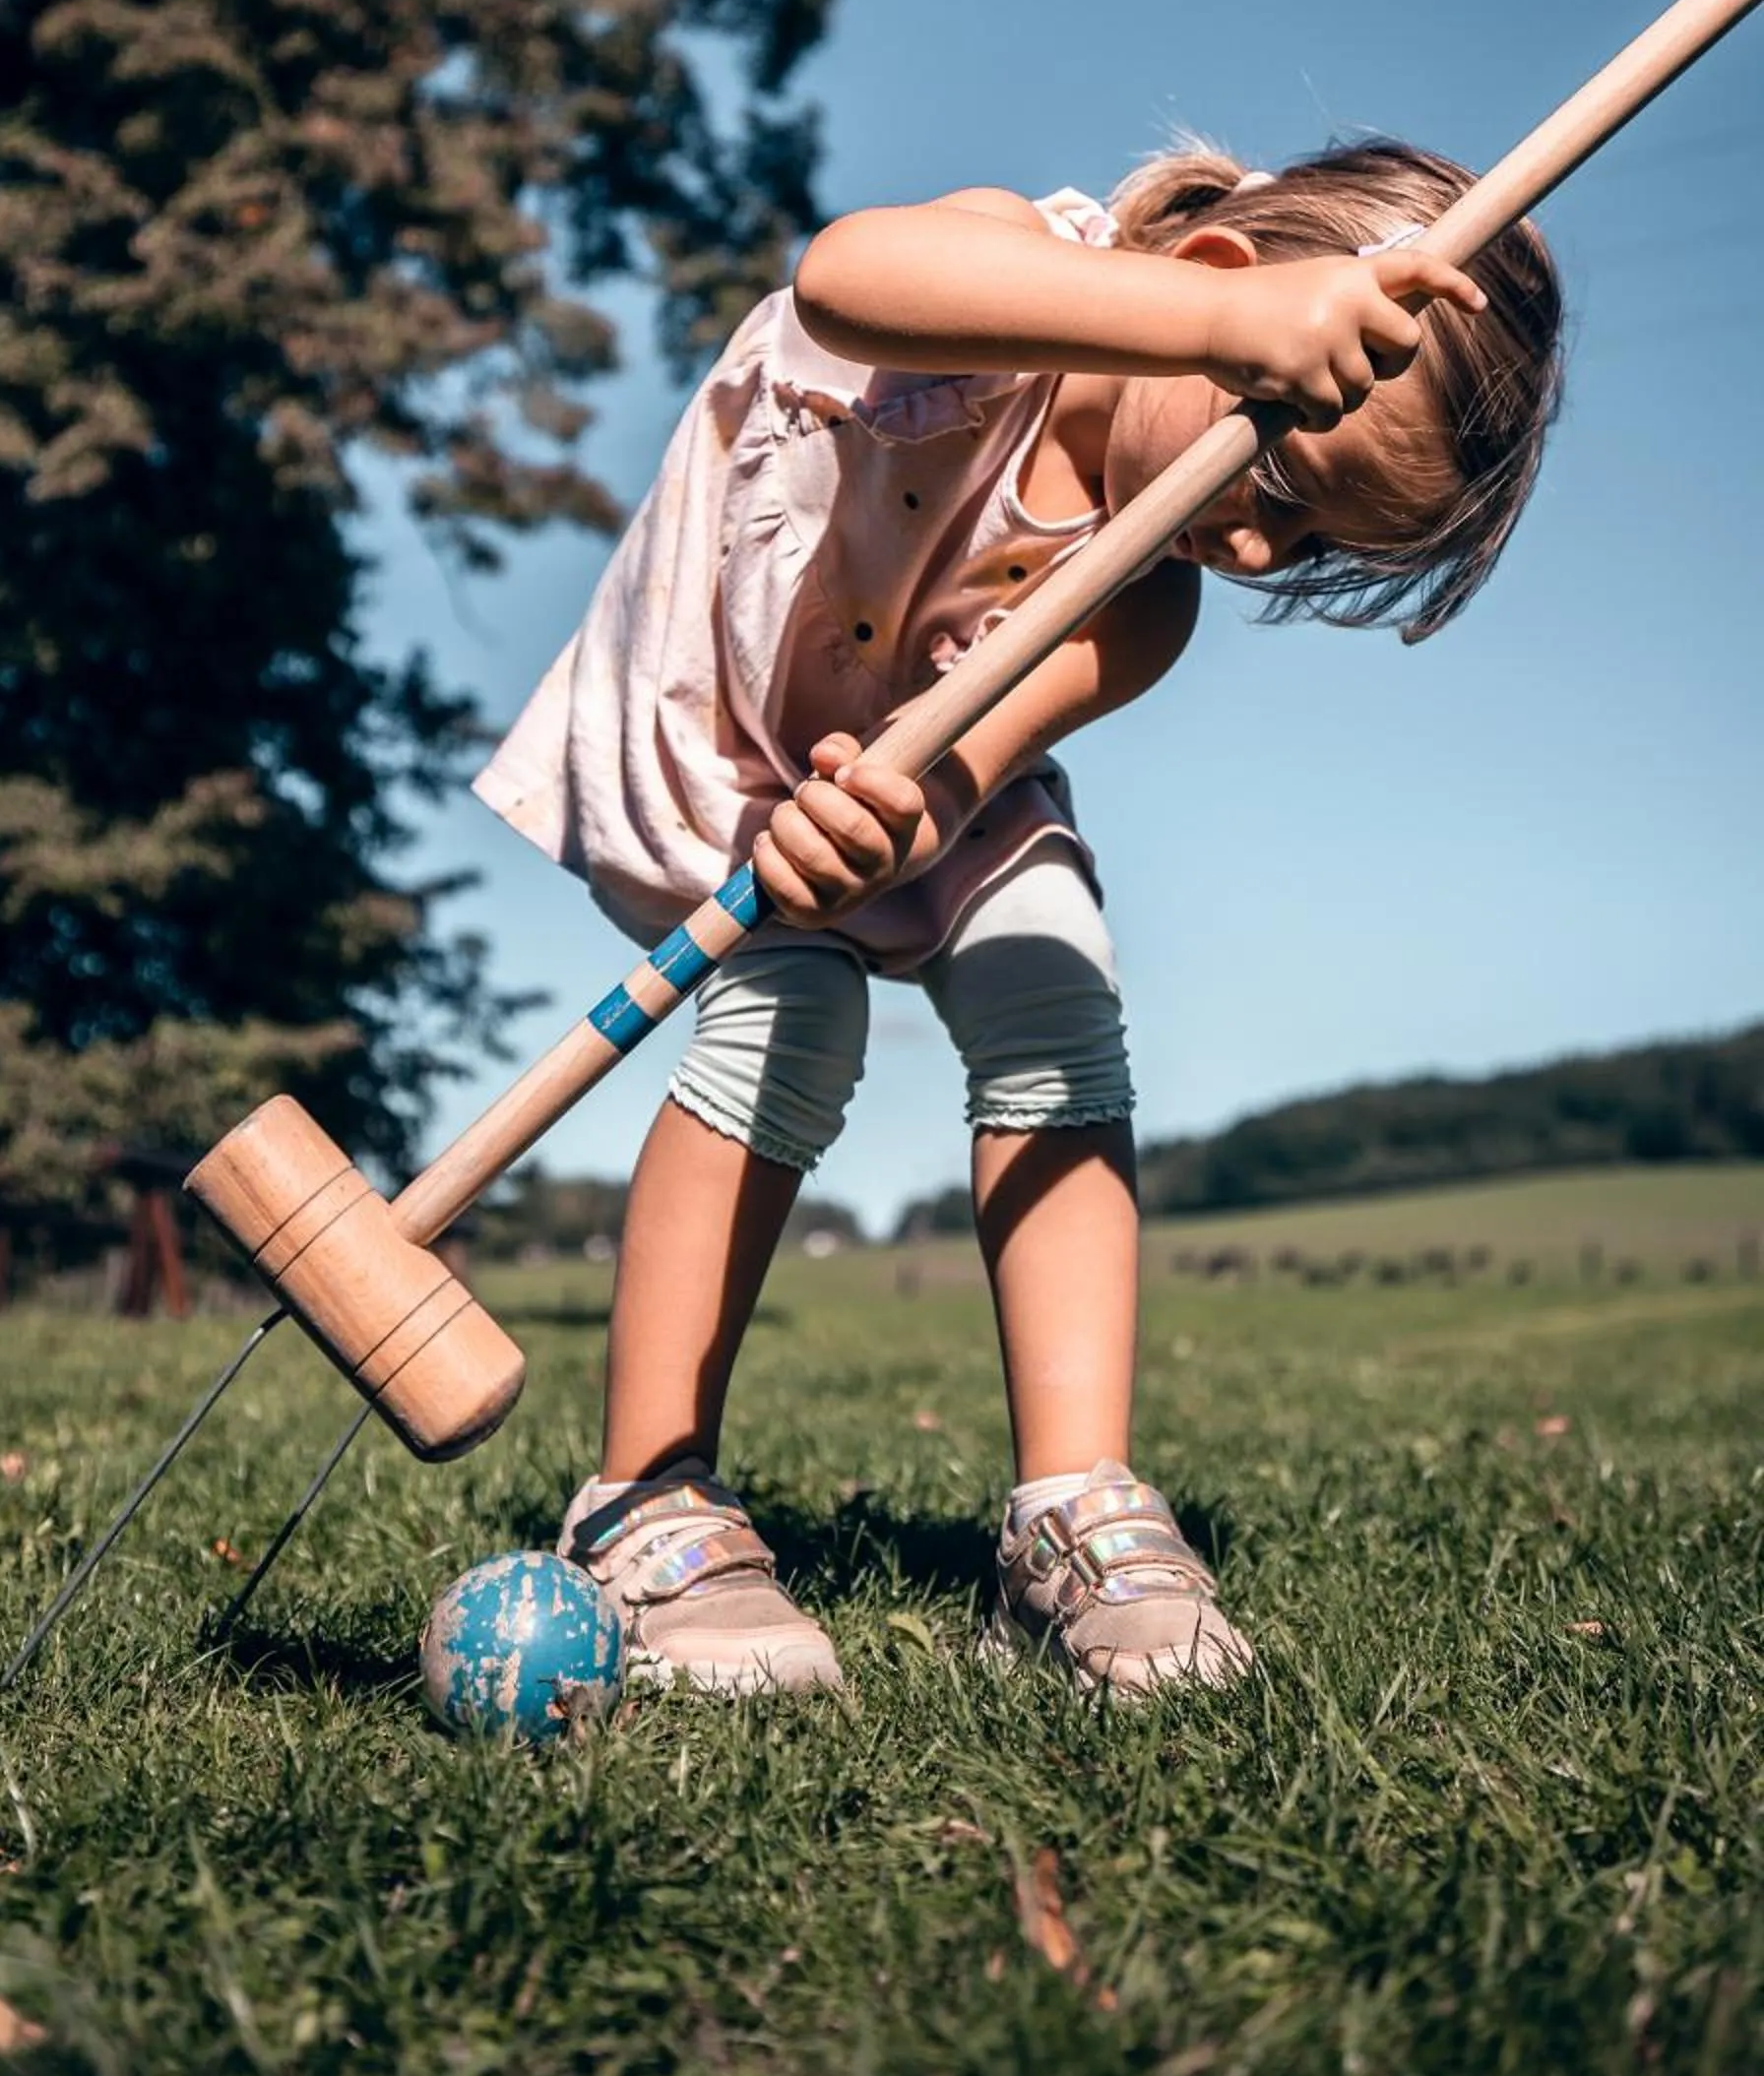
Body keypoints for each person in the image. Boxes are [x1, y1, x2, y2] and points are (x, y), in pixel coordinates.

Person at [472, 140, 1564, 1698]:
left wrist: (900, 813)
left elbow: (967, 760)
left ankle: (1076, 1508)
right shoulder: (1000, 280)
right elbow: (847, 276)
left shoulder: (1149, 596)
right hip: (728, 734)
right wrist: (1225, 345)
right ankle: (649, 1494)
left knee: (1055, 977)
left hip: (907, 775)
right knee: (790, 1016)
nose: (1253, 548)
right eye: (1274, 478)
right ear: (1215, 296)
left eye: (1309, 548)